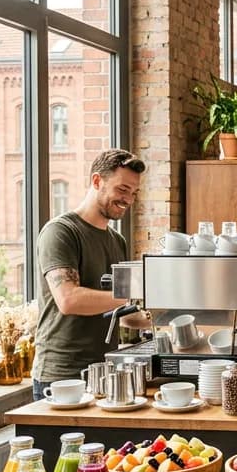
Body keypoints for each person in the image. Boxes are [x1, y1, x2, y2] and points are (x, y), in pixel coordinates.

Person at [32, 149, 148, 401]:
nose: (128, 199)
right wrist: (136, 294)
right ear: (97, 181)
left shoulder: (117, 241)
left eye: (134, 192)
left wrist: (165, 318)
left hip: (105, 371)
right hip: (62, 375)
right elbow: (69, 300)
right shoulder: (61, 232)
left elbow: (124, 314)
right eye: (122, 189)